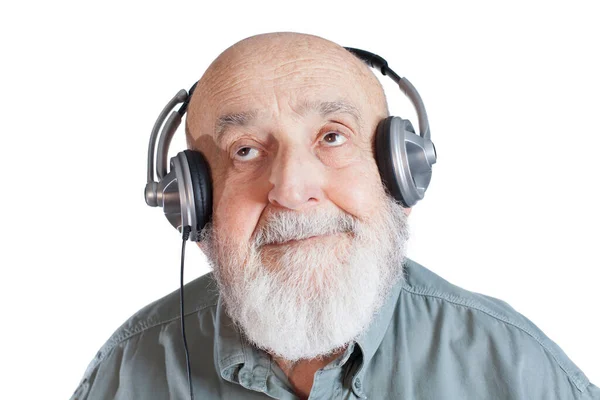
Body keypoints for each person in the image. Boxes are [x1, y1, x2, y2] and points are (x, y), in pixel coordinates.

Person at [71, 32, 600, 400]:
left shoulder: (517, 369)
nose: (293, 189)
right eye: (246, 151)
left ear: (399, 171)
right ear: (192, 203)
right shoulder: (126, 374)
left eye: (331, 136)